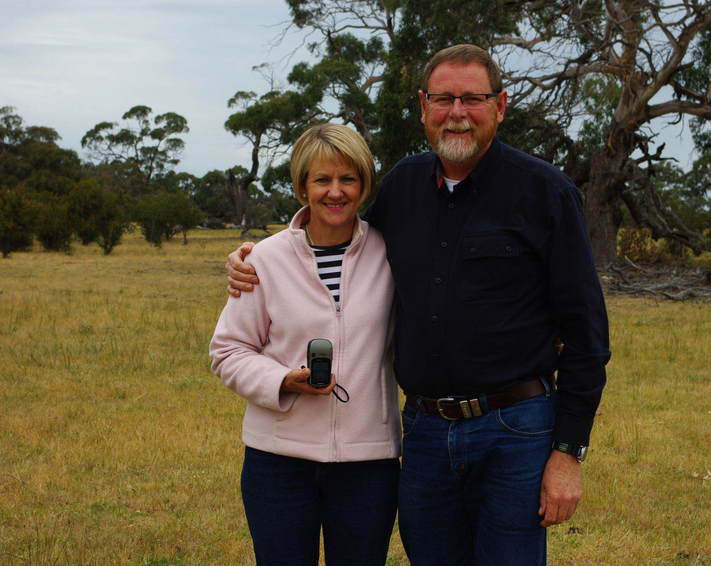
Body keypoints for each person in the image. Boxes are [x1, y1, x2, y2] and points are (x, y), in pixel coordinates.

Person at [227, 45, 610, 566]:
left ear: (500, 105)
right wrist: (258, 255)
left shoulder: (545, 193)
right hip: (425, 433)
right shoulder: (403, 188)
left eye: (472, 99)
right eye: (443, 98)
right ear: (423, 107)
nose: (457, 112)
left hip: (515, 430)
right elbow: (339, 234)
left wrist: (567, 453)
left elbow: (586, 333)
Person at [210, 123, 400, 566]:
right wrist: (282, 380)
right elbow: (228, 350)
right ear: (302, 187)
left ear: (364, 185)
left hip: (368, 463)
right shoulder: (264, 260)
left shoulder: (391, 253)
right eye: (322, 180)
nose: (335, 192)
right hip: (278, 462)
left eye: (348, 179)